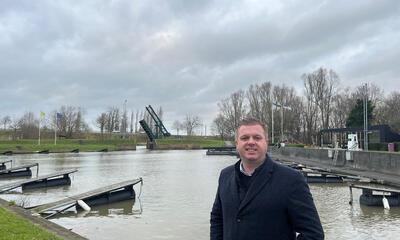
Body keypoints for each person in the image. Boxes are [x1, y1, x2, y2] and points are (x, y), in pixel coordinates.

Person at [210, 117, 324, 240]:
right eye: (244, 138)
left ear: (266, 142)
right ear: (237, 143)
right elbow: (217, 218)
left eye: (257, 137)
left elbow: (313, 235)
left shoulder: (291, 180)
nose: (251, 142)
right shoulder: (225, 175)